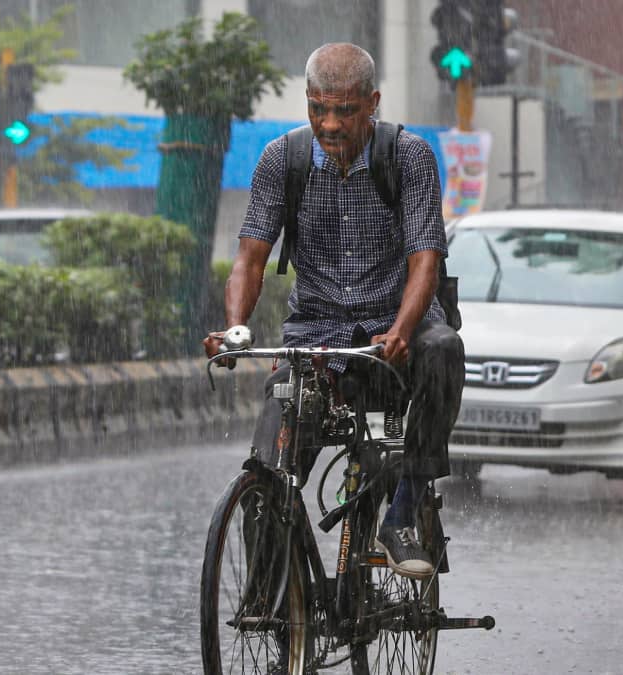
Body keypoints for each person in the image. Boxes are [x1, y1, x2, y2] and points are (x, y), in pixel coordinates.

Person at [202, 42, 464, 580]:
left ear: (373, 103)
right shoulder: (283, 159)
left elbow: (425, 262)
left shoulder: (408, 157)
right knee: (267, 472)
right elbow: (250, 258)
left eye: (345, 110)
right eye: (318, 108)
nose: (330, 124)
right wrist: (235, 327)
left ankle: (406, 509)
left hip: (395, 332)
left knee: (443, 349)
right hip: (317, 337)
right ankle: (270, 602)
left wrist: (401, 329)